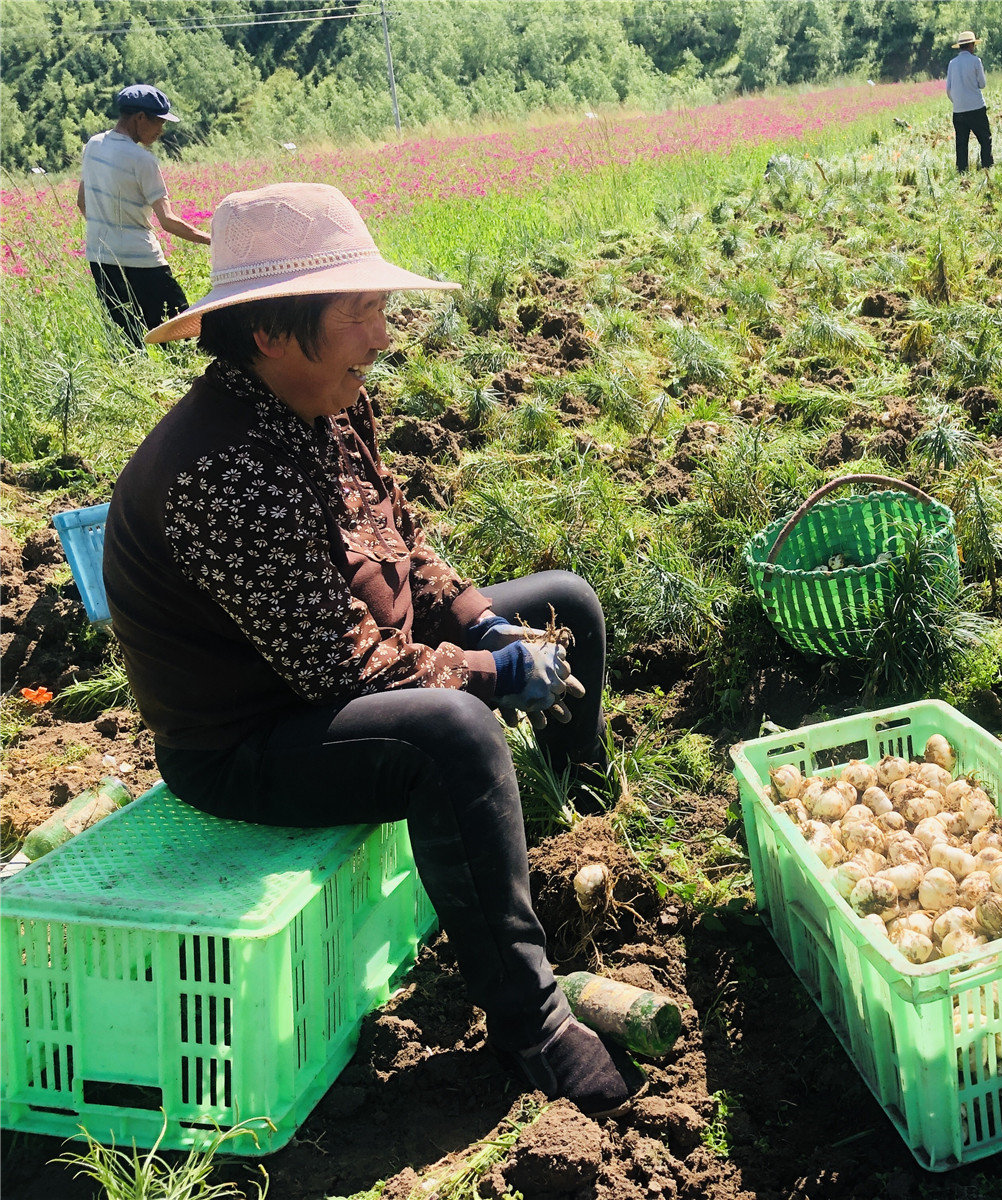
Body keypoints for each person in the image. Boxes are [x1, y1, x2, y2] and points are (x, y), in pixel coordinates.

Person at [100, 182, 642, 1116]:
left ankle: (575, 827)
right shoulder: (220, 468)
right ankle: (533, 1027)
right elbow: (337, 668)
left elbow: (400, 541)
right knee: (455, 734)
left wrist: (479, 621)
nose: (383, 335)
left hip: (338, 664)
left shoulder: (325, 399)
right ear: (271, 330)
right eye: (362, 313)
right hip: (251, 740)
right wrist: (491, 673)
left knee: (566, 605)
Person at [77, 84, 211, 347]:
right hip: (143, 262)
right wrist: (214, 239)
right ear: (140, 118)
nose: (161, 131)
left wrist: (108, 231)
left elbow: (82, 202)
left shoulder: (93, 146)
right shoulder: (143, 160)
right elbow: (168, 221)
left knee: (128, 339)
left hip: (100, 257)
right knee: (181, 333)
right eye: (159, 122)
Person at [946, 31, 993, 172]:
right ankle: (987, 167)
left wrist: (957, 102)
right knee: (985, 139)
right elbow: (982, 84)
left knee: (961, 143)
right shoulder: (975, 61)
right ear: (971, 45)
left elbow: (948, 89)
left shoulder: (952, 63)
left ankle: (962, 171)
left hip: (958, 109)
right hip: (976, 107)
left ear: (960, 46)